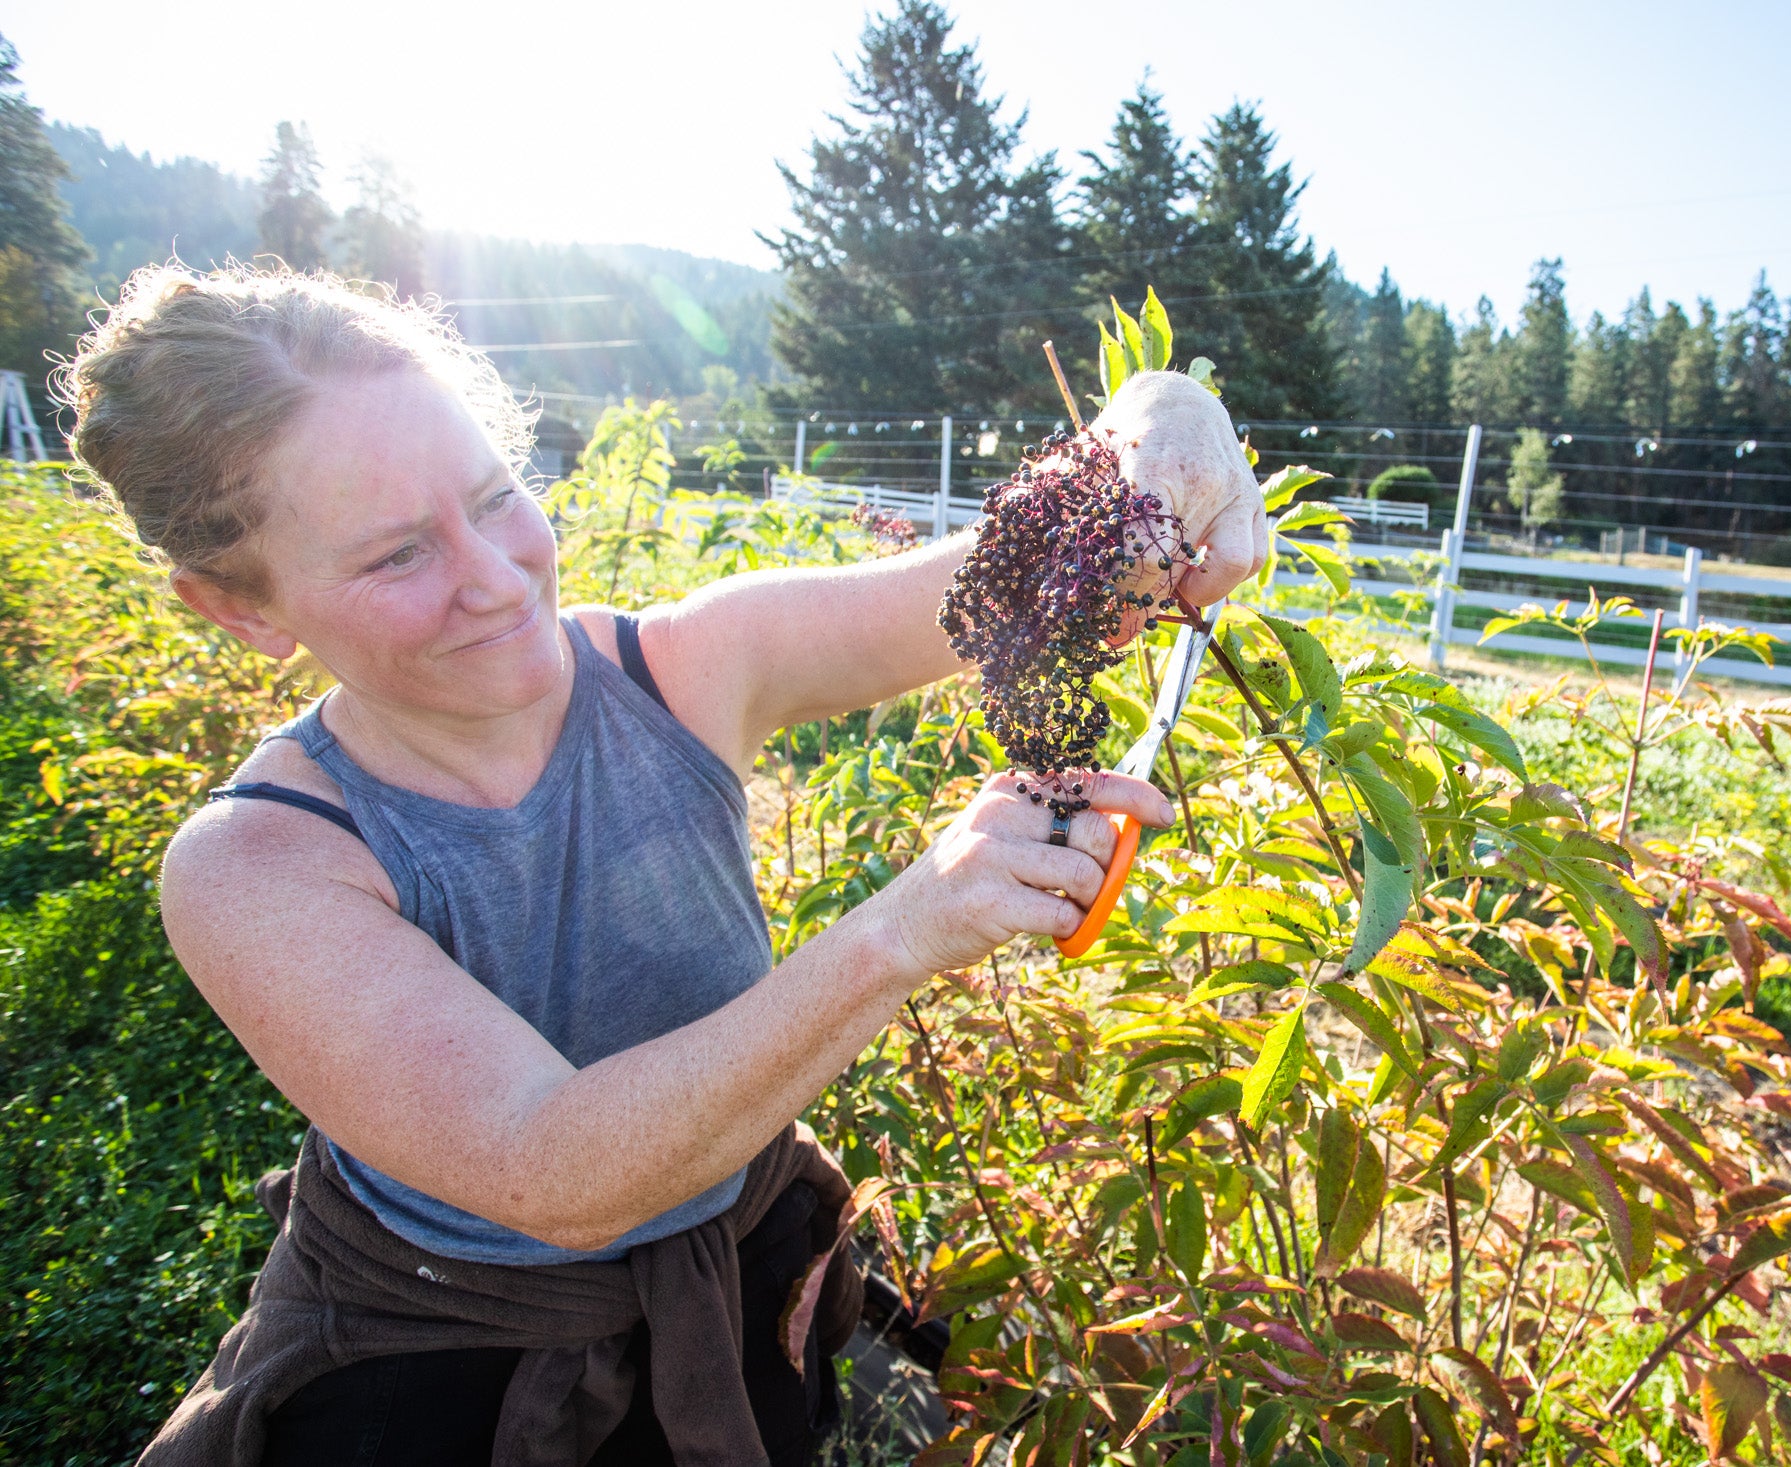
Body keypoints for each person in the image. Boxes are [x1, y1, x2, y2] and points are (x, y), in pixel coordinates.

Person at [62, 265, 1264, 1467]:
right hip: (448, 1365)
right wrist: (902, 930)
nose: (494, 578)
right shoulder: (259, 863)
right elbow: (553, 1170)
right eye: (395, 558)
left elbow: (1016, 570)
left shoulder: (679, 670)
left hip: (747, 1272)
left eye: (493, 498)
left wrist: (1172, 445)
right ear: (238, 605)